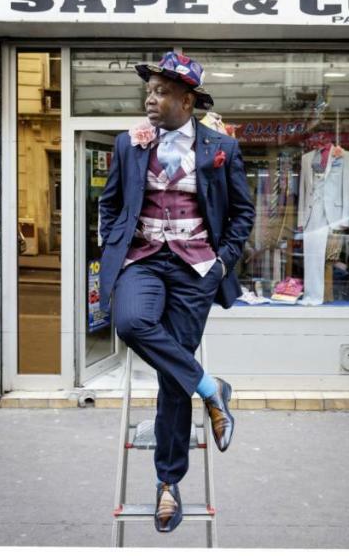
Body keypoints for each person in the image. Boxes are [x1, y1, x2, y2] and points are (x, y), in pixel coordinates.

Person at [97, 51, 254, 533]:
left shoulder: (218, 146)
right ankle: (211, 387)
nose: (150, 98)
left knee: (171, 378)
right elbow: (109, 202)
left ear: (187, 101)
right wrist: (116, 246)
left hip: (196, 268)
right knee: (131, 322)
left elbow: (242, 213)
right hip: (142, 260)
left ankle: (168, 485)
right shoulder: (130, 143)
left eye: (161, 91)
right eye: (149, 90)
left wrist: (222, 260)